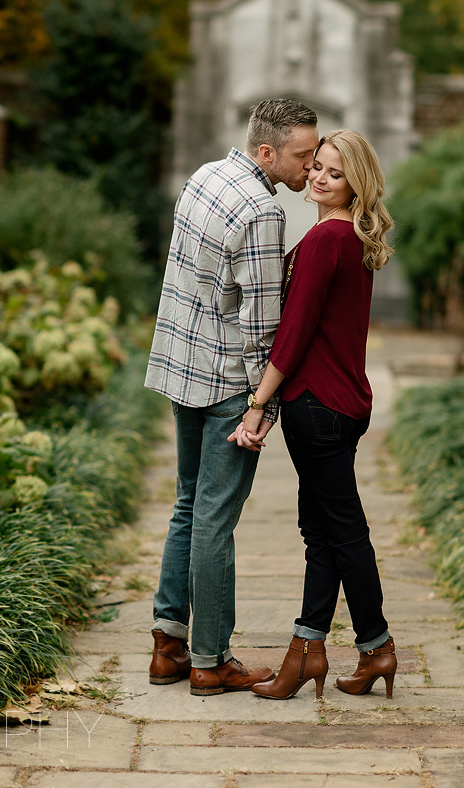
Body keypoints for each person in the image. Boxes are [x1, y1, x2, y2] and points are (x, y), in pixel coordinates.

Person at [142, 96, 320, 696]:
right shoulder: (262, 213)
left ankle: (169, 644)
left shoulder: (204, 177)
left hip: (179, 365)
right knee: (215, 517)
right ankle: (211, 660)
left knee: (189, 503)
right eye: (302, 155)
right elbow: (262, 324)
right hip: (224, 382)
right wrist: (261, 404)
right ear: (267, 152)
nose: (311, 164)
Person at [238, 128, 399, 702]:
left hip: (318, 405)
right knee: (324, 533)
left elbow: (295, 332)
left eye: (334, 172)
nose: (318, 177)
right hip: (341, 402)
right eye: (317, 168)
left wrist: (258, 404)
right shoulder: (350, 235)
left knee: (341, 532)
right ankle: (307, 650)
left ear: (355, 183)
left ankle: (374, 644)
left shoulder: (329, 238)